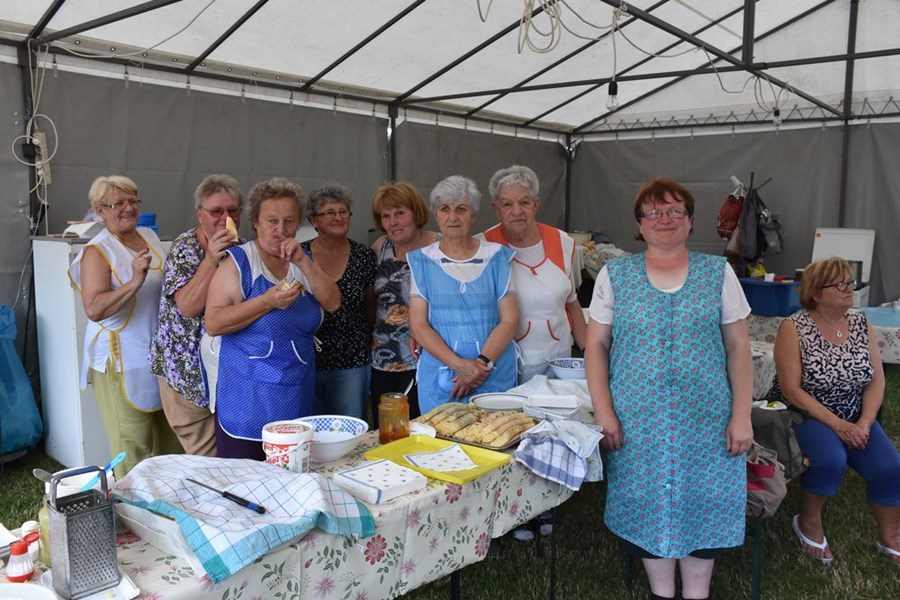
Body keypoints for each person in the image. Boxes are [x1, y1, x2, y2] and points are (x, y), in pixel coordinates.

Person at [584, 177, 753, 600]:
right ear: (639, 225)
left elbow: (738, 348)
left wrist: (741, 415)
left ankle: (697, 592)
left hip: (707, 418)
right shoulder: (614, 275)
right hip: (637, 420)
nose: (665, 219)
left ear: (690, 221)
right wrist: (604, 412)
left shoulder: (718, 273)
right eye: (654, 212)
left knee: (704, 499)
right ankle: (661, 592)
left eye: (676, 210)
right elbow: (596, 346)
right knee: (647, 502)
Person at [774, 258, 900, 565]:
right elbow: (791, 390)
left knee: (890, 466)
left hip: (855, 413)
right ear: (816, 292)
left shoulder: (859, 323)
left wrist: (865, 422)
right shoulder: (793, 327)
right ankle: (808, 521)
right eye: (840, 284)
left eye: (849, 282)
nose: (849, 289)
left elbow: (876, 379)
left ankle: (890, 535)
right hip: (809, 413)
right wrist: (839, 425)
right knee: (831, 460)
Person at [204, 177, 340, 459]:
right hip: (246, 399)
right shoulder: (240, 262)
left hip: (296, 391)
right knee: (245, 480)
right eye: (272, 221)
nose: (281, 230)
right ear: (255, 222)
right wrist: (266, 302)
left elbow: (333, 302)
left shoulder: (303, 260)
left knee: (292, 474)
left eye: (289, 221)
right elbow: (214, 323)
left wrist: (303, 262)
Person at [69, 176, 182, 478]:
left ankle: (168, 500)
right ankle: (131, 503)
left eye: (133, 200)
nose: (128, 208)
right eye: (118, 203)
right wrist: (134, 282)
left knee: (171, 441)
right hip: (122, 361)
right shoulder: (97, 251)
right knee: (133, 447)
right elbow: (94, 308)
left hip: (159, 356)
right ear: (100, 210)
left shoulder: (148, 236)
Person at [149, 175, 243, 456]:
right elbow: (188, 308)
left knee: (230, 453)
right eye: (216, 211)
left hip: (226, 371)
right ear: (200, 214)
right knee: (205, 458)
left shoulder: (242, 247)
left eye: (233, 210)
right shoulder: (185, 248)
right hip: (186, 373)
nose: (225, 218)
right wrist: (211, 259)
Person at [408, 175, 518, 415]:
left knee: (495, 435)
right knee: (441, 437)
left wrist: (480, 365)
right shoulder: (422, 260)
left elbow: (509, 320)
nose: (453, 217)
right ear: (436, 215)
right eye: (444, 209)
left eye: (461, 209)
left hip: (492, 371)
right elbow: (418, 325)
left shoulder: (497, 257)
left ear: (474, 214)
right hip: (441, 375)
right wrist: (460, 366)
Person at [479, 165, 586, 383]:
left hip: (559, 362)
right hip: (505, 365)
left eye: (524, 202)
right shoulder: (484, 246)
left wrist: (588, 352)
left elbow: (572, 303)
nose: (517, 211)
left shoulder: (562, 242)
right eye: (507, 204)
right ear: (496, 209)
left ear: (536, 204)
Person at [301, 184, 376, 420]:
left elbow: (371, 307)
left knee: (350, 429)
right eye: (330, 212)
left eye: (343, 212)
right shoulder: (299, 255)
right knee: (310, 430)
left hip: (352, 362)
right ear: (313, 220)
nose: (339, 217)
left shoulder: (364, 255)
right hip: (307, 360)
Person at [369, 182, 439, 425]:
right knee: (387, 429)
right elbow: (371, 299)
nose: (393, 222)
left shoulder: (440, 246)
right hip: (383, 358)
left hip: (429, 356)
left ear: (416, 213)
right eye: (385, 216)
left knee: (423, 427)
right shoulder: (380, 247)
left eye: (400, 213)